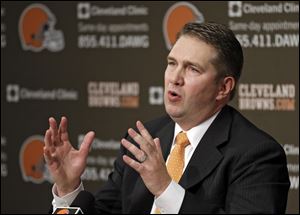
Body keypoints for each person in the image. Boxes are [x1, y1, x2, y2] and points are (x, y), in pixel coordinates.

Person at [44, 22, 290, 214]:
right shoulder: (143, 140)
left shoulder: (257, 155)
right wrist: (68, 189)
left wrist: (165, 188)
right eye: (172, 63)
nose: (175, 78)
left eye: (192, 69)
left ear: (224, 88)